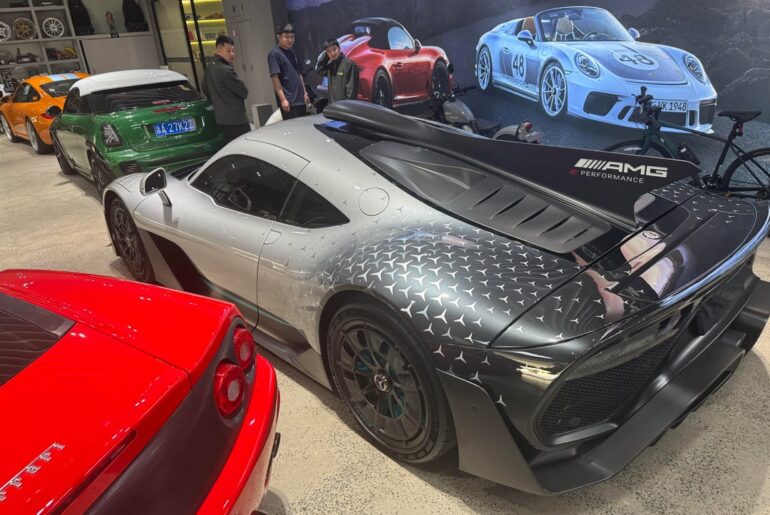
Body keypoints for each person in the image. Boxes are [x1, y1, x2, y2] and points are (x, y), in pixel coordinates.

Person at [201, 35, 250, 143]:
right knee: (244, 147)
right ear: (218, 51)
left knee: (229, 148)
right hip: (236, 119)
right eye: (228, 51)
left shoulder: (210, 67)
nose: (232, 54)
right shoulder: (226, 70)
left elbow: (204, 87)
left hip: (221, 118)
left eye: (233, 50)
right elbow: (244, 92)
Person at [267, 23, 308, 120]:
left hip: (300, 99)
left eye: (292, 37)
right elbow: (275, 78)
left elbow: (299, 73)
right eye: (286, 37)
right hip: (289, 101)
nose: (290, 40)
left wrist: (305, 93)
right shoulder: (274, 54)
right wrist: (283, 99)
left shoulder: (292, 52)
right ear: (279, 37)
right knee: (293, 130)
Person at [315, 37, 359, 104]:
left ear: (339, 48)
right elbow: (319, 70)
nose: (332, 53)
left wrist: (348, 107)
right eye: (329, 51)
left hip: (346, 108)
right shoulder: (330, 66)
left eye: (334, 49)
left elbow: (351, 92)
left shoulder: (349, 64)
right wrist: (326, 56)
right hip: (333, 107)